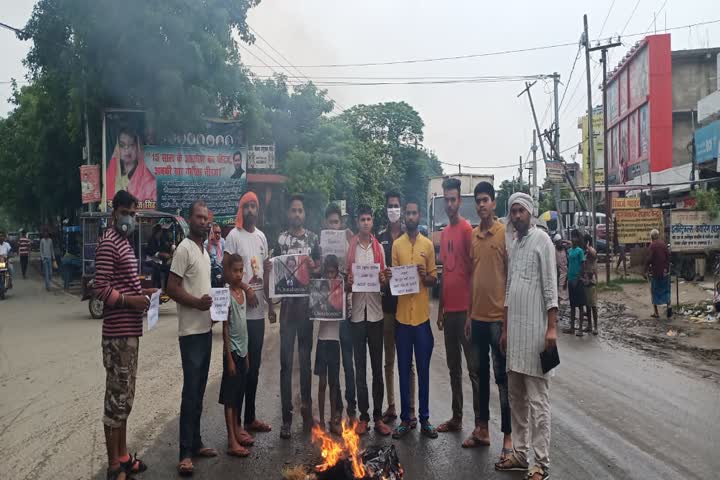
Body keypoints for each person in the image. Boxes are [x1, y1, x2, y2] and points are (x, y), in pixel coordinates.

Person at [93, 190, 156, 480]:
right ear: (114, 212)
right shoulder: (109, 242)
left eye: (134, 214)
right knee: (115, 402)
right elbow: (101, 288)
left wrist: (144, 293)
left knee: (125, 399)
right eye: (126, 213)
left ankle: (123, 456)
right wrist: (131, 301)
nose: (130, 218)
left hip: (130, 333)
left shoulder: (125, 243)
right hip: (117, 335)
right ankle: (113, 466)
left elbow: (124, 284)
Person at [495, 193, 558, 480]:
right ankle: (520, 454)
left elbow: (550, 287)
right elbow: (508, 291)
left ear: (530, 213)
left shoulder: (542, 241)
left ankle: (540, 463)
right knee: (516, 398)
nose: (516, 216)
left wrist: (552, 328)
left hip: (535, 334)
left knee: (537, 401)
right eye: (513, 212)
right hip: (515, 337)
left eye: (520, 211)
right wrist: (505, 330)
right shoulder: (516, 244)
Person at [166, 200, 217, 476]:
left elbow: (205, 291)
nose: (203, 221)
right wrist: (197, 303)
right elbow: (171, 288)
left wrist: (213, 309)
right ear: (189, 220)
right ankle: (184, 453)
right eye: (198, 217)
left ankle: (196, 444)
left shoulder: (205, 252)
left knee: (199, 391)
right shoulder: (184, 249)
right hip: (190, 333)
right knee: (190, 391)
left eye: (206, 218)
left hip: (206, 330)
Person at [462, 181, 513, 458]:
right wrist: (469, 315)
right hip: (478, 319)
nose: (482, 205)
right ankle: (481, 430)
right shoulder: (472, 236)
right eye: (479, 201)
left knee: (502, 379)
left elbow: (511, 279)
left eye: (485, 200)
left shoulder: (505, 235)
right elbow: (473, 277)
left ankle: (507, 438)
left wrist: (507, 323)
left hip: (498, 321)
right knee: (479, 376)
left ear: (493, 203)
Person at [224, 191, 274, 437]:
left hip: (258, 313)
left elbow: (263, 274)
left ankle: (250, 417)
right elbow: (226, 272)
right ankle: (237, 426)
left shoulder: (262, 237)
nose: (251, 210)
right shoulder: (234, 236)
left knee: (254, 367)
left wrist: (271, 305)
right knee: (241, 368)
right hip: (240, 313)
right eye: (247, 206)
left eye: (254, 206)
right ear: (241, 210)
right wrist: (245, 288)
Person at [388, 198, 438, 440]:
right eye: (407, 213)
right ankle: (406, 419)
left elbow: (433, 279)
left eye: (413, 213)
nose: (410, 216)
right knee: (404, 369)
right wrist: (391, 277)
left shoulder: (427, 246)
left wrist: (423, 276)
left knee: (424, 369)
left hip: (421, 319)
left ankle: (426, 418)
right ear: (404, 217)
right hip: (402, 319)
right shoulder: (396, 246)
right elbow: (394, 281)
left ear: (419, 216)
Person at [434, 178, 480, 438]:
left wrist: (471, 313)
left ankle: (479, 425)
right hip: (449, 312)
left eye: (454, 199)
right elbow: (445, 275)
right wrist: (440, 310)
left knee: (473, 369)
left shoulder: (466, 230)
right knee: (453, 368)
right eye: (447, 200)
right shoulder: (444, 233)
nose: (450, 204)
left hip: (465, 312)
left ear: (459, 201)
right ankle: (457, 417)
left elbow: (472, 273)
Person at [274, 194, 320, 439]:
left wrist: (315, 266)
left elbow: (322, 270)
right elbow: (272, 271)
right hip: (287, 311)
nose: (296, 214)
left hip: (306, 309)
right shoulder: (280, 239)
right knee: (285, 365)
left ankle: (306, 413)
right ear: (288, 213)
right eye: (293, 210)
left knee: (305, 363)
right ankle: (285, 418)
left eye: (300, 210)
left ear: (305, 214)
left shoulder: (313, 239)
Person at [346, 204, 392, 436]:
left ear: (372, 222)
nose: (365, 222)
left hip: (375, 313)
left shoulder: (378, 248)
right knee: (360, 369)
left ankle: (378, 417)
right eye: (362, 219)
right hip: (356, 314)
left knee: (376, 367)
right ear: (357, 222)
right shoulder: (350, 246)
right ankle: (363, 417)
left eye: (368, 219)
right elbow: (345, 282)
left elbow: (384, 283)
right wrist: (349, 280)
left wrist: (384, 278)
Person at [378, 190, 417, 427]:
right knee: (389, 360)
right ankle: (391, 405)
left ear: (401, 210)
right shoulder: (379, 237)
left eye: (396, 205)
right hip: (386, 306)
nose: (393, 209)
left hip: (406, 307)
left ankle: (410, 408)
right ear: (386, 209)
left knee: (408, 361)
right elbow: (374, 271)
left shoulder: (408, 236)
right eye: (390, 205)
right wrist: (382, 277)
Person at [323, 204, 357, 423]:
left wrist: (349, 282)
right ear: (326, 223)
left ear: (341, 223)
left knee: (348, 362)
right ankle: (336, 410)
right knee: (333, 364)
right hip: (328, 313)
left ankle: (351, 409)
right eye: (330, 222)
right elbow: (318, 275)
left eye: (337, 222)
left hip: (346, 312)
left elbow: (355, 272)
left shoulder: (349, 241)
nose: (334, 225)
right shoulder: (321, 242)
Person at [220, 254, 252, 458]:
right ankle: (231, 439)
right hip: (232, 353)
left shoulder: (242, 292)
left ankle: (237, 433)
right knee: (230, 400)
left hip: (242, 351)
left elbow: (244, 326)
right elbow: (225, 328)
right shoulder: (226, 294)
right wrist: (229, 357)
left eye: (241, 270)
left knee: (239, 394)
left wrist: (246, 353)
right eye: (235, 270)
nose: (238, 274)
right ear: (227, 271)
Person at [315, 255, 343, 434]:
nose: (330, 276)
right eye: (327, 272)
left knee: (334, 382)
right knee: (322, 382)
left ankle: (333, 420)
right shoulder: (318, 288)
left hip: (335, 340)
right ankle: (323, 421)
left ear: (337, 272)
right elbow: (314, 309)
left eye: (333, 273)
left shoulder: (341, 288)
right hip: (322, 339)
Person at [106, 127, 156, 206]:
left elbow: (152, 210)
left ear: (138, 147)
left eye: (131, 145)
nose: (127, 149)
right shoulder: (112, 177)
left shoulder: (149, 181)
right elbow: (107, 206)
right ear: (117, 148)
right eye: (122, 145)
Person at [563, 229, 586, 336]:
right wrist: (566, 280)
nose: (573, 239)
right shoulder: (569, 251)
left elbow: (583, 265)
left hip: (577, 280)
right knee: (572, 305)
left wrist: (578, 277)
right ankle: (572, 327)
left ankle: (580, 328)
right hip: (570, 279)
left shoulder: (579, 251)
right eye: (572, 237)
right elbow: (569, 266)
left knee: (580, 305)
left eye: (575, 237)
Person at [645, 229, 672, 319]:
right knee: (666, 289)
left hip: (656, 272)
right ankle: (669, 306)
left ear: (652, 237)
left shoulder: (652, 246)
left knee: (654, 291)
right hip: (665, 272)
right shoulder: (663, 245)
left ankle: (656, 312)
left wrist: (645, 269)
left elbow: (649, 259)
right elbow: (668, 256)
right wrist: (666, 268)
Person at [146, 225, 172, 290]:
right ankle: (157, 287)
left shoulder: (161, 240)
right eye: (160, 232)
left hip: (159, 261)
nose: (160, 234)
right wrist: (162, 254)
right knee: (157, 270)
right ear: (157, 232)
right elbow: (152, 252)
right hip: (151, 261)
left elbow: (164, 248)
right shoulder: (151, 239)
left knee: (169, 268)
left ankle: (166, 288)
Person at [583, 233, 599, 335]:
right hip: (586, 281)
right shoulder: (585, 252)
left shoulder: (591, 250)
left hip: (592, 281)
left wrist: (588, 247)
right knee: (588, 306)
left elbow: (594, 254)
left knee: (593, 305)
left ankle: (596, 327)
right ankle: (589, 325)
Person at [554, 234, 568, 304]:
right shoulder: (553, 250)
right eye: (558, 242)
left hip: (566, 274)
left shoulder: (565, 249)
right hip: (558, 274)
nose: (559, 243)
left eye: (560, 242)